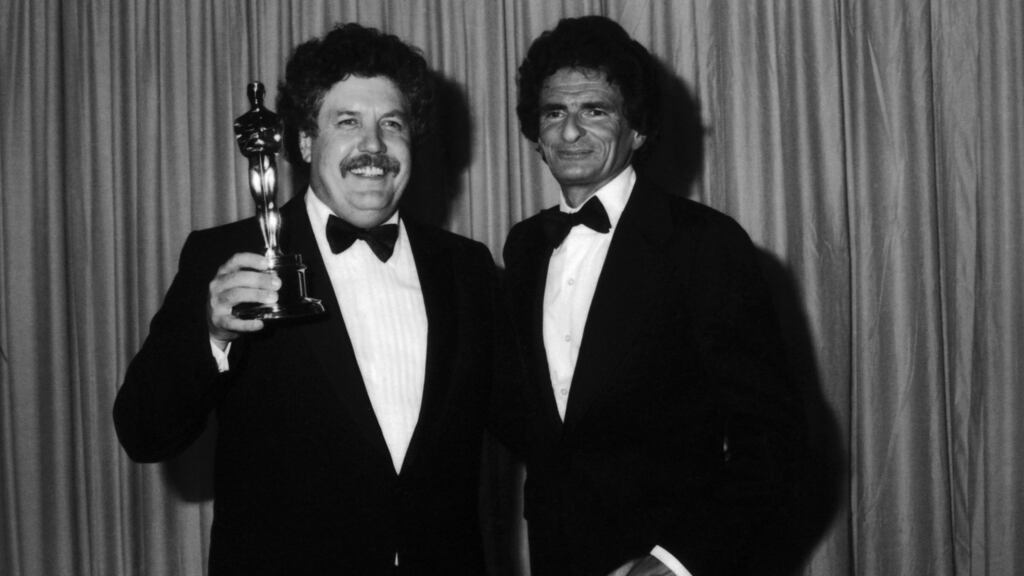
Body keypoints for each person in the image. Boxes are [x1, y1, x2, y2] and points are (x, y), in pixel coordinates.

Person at [114, 23, 502, 575]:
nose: (373, 146)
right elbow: (143, 431)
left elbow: (538, 425)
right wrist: (213, 334)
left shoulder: (467, 268)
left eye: (391, 124)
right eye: (347, 123)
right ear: (303, 141)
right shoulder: (228, 256)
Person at [502, 16, 804, 576]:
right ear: (536, 136)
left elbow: (775, 443)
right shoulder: (524, 248)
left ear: (637, 129)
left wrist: (674, 563)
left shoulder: (705, 244)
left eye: (595, 110)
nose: (570, 132)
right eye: (554, 113)